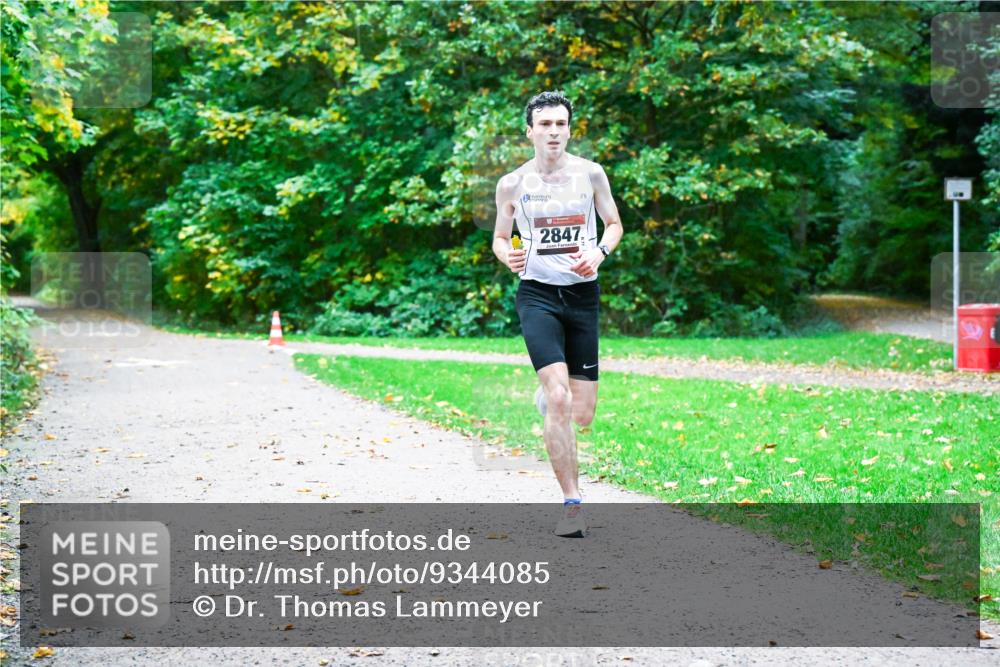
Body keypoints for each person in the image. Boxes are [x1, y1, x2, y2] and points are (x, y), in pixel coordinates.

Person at [492, 91, 624, 537]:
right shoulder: (512, 184)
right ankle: (572, 504)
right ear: (529, 131)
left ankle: (552, 399)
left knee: (581, 412)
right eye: (545, 124)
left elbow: (615, 224)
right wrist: (506, 257)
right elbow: (499, 237)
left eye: (560, 124)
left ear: (570, 129)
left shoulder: (591, 175)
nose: (553, 132)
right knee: (561, 398)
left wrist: (600, 253)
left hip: (583, 296)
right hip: (538, 296)